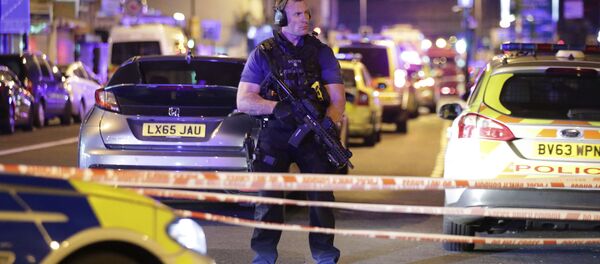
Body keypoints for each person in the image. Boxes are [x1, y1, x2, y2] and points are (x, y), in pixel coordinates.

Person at [236, 0, 345, 263]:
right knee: (268, 200)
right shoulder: (263, 53)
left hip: (313, 136)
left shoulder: (321, 53)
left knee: (321, 199)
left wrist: (327, 126)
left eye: (307, 13)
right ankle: (263, 256)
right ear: (281, 18)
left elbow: (337, 100)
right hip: (275, 134)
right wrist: (276, 107)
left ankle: (324, 255)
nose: (305, 18)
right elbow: (243, 100)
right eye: (297, 13)